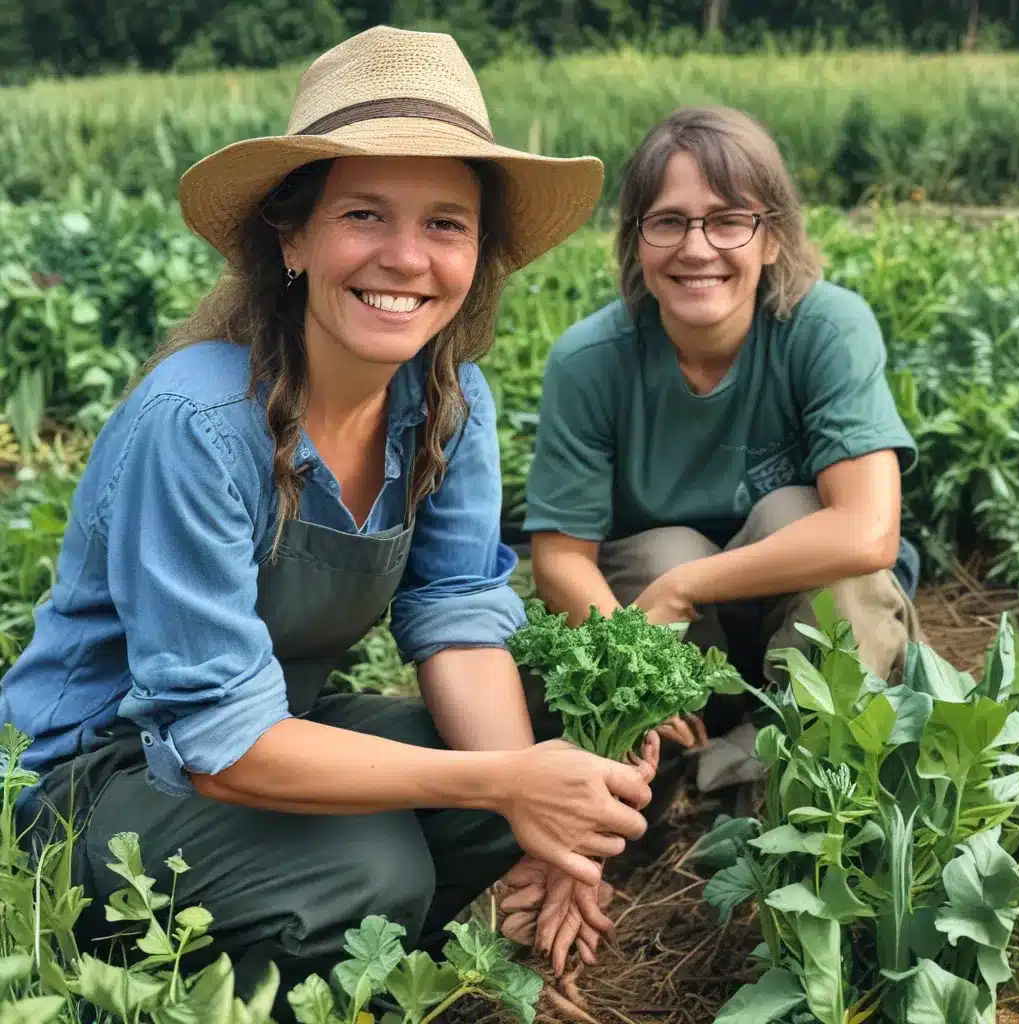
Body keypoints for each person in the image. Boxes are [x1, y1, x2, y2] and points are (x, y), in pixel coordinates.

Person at [0, 26, 655, 1018]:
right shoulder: (198, 423)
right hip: (93, 787)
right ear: (293, 237)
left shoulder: (445, 402)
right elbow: (219, 741)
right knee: (373, 859)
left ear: (477, 258)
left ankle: (361, 958)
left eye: (445, 223)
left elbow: (458, 621)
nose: (406, 256)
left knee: (551, 746)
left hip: (265, 739)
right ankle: (280, 975)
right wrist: (508, 781)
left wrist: (544, 820)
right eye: (364, 214)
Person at [522, 105, 924, 804]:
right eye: (668, 220)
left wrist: (688, 588)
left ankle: (813, 764)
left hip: (808, 623)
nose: (697, 248)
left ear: (773, 238)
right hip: (683, 647)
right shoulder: (590, 362)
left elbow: (867, 530)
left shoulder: (826, 328)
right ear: (636, 241)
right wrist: (633, 660)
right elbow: (561, 559)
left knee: (794, 513)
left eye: (729, 219)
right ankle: (684, 756)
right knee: (661, 552)